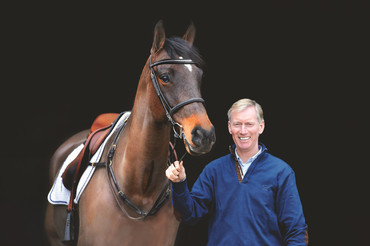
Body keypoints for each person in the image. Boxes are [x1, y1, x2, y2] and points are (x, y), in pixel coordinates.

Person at [166, 98, 308, 245]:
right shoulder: (213, 170)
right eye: (237, 124)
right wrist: (179, 183)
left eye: (249, 124)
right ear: (229, 127)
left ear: (261, 126)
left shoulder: (281, 172)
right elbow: (190, 215)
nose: (243, 130)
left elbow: (296, 230)